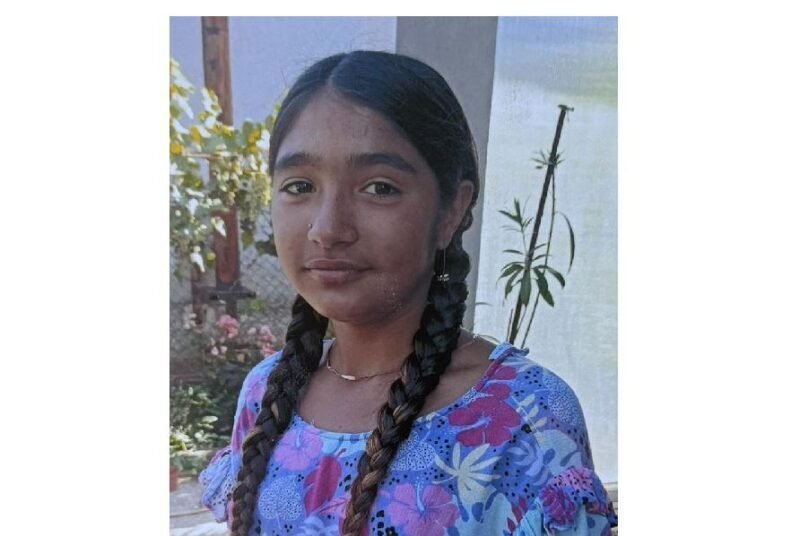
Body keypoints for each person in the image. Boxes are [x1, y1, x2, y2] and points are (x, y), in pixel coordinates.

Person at [199, 50, 617, 536]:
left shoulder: (526, 415)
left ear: (451, 211)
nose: (327, 228)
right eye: (299, 185)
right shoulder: (267, 391)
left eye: (378, 188)